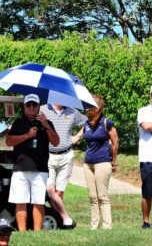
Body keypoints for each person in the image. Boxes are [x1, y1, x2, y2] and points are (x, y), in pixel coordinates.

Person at [6, 94, 59, 231]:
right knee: (20, 202)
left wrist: (46, 125)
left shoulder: (46, 122)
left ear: (38, 107)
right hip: (20, 169)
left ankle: (37, 232)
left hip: (40, 169)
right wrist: (27, 136)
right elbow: (8, 141)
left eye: (34, 105)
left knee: (38, 202)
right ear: (24, 107)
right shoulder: (18, 123)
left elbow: (56, 142)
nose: (31, 107)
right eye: (28, 105)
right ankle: (23, 232)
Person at [40, 103, 87, 229]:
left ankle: (59, 221)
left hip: (66, 155)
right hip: (48, 155)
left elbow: (87, 122)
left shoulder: (72, 111)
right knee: (50, 190)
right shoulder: (42, 109)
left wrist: (77, 136)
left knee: (59, 194)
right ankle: (65, 218)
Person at [80, 94, 118, 230]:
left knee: (102, 196)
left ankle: (107, 226)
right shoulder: (86, 123)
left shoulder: (107, 122)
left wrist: (112, 162)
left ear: (96, 108)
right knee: (92, 197)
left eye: (89, 106)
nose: (86, 109)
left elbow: (115, 143)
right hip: (88, 163)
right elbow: (79, 136)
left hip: (102, 163)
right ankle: (94, 226)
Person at [138, 83, 152, 229]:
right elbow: (146, 126)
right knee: (147, 193)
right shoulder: (143, 111)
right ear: (151, 96)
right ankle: (146, 221)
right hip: (148, 157)